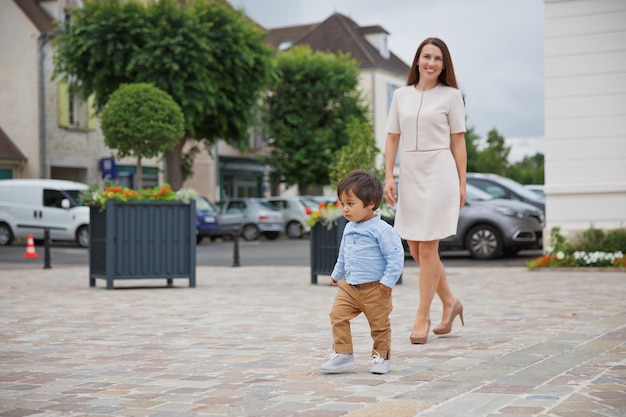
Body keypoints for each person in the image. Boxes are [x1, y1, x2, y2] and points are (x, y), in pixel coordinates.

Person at [383, 37, 466, 345]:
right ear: (417, 60)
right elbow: (392, 138)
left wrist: (462, 181)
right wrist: (389, 176)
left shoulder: (452, 96)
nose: (432, 62)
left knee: (428, 249)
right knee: (417, 250)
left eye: (438, 59)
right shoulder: (400, 95)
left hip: (440, 171)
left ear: (443, 66)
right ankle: (450, 302)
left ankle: (423, 316)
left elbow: (458, 141)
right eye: (427, 56)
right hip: (412, 174)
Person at [321, 170, 404, 374]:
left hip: (376, 289)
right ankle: (343, 354)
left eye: (351, 204)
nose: (345, 209)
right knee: (337, 315)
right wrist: (336, 273)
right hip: (349, 287)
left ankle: (381, 356)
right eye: (343, 204)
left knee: (379, 326)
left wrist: (388, 281)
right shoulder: (349, 228)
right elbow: (343, 253)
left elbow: (395, 256)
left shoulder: (382, 230)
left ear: (370, 203)